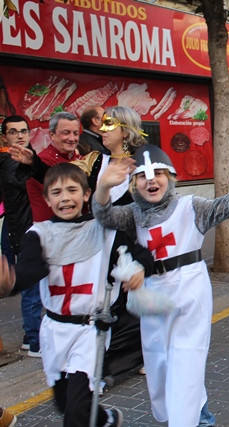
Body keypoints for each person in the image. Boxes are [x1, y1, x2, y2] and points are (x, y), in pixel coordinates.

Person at [91, 144, 229, 426]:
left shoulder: (190, 205)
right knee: (160, 364)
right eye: (143, 176)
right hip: (153, 295)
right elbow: (104, 217)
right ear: (135, 184)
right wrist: (104, 188)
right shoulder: (134, 212)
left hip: (188, 291)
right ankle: (199, 417)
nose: (151, 181)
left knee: (185, 363)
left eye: (158, 173)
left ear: (170, 177)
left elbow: (225, 206)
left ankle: (196, 422)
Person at [0, 162, 154, 427]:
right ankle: (105, 419)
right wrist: (12, 279)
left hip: (89, 332)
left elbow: (142, 256)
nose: (65, 198)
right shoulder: (38, 234)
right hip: (53, 330)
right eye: (57, 192)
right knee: (64, 404)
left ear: (85, 195)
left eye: (72, 190)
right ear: (47, 199)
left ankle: (95, 416)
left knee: (75, 412)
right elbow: (31, 267)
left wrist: (140, 271)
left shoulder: (103, 230)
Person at [11, 106, 148, 377]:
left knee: (130, 298)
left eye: (110, 124)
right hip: (97, 241)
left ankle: (134, 356)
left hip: (132, 242)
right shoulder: (96, 160)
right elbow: (66, 182)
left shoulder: (142, 164)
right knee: (106, 299)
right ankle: (98, 363)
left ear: (125, 130)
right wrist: (34, 164)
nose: (102, 130)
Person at [0, 116, 39, 357]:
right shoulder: (9, 161)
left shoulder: (23, 158)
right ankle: (34, 340)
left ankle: (31, 336)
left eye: (23, 131)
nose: (20, 135)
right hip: (22, 228)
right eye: (14, 132)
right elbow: (30, 184)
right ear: (5, 137)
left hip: (23, 226)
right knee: (31, 285)